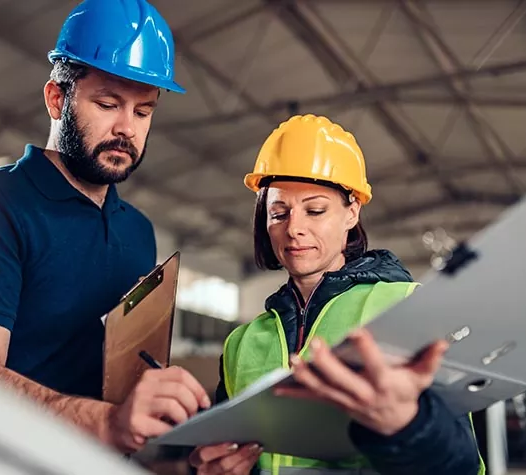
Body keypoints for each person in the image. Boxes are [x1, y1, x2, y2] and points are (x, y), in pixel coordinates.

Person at [0, 0, 210, 455]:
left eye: (144, 111)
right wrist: (106, 423)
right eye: (108, 103)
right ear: (57, 99)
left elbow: (127, 372)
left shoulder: (138, 231)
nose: (127, 129)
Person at [188, 115, 486, 475]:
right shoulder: (242, 343)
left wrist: (408, 425)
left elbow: (462, 465)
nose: (294, 229)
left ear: (352, 212)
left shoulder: (405, 305)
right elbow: (233, 450)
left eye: (315, 210)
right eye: (279, 213)